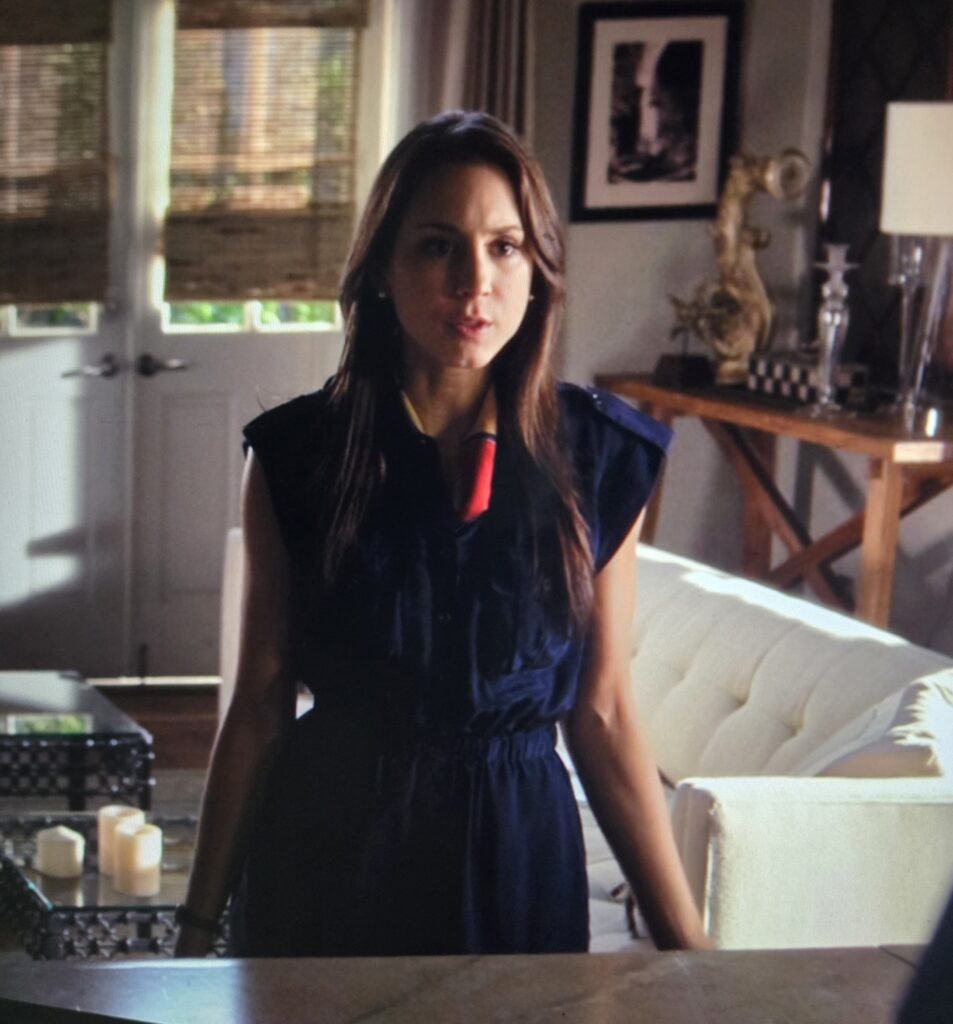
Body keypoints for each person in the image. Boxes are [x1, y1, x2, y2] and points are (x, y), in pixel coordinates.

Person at [174, 110, 710, 958]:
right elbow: (258, 709)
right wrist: (197, 927)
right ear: (383, 269)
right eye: (436, 246)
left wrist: (690, 948)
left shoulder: (602, 455)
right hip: (334, 857)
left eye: (504, 247)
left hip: (518, 859)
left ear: (538, 271)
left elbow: (602, 712)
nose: (474, 283)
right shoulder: (298, 456)